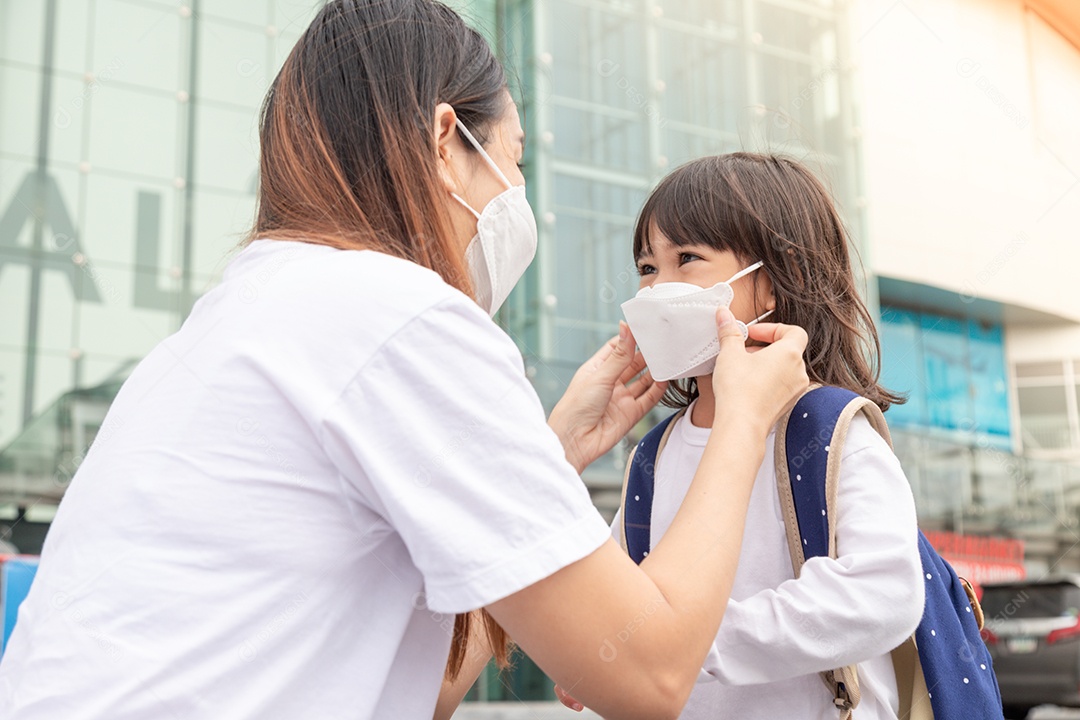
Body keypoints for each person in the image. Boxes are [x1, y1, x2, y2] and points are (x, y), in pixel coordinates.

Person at [0, 4, 809, 720]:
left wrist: (552, 450)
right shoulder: (401, 316)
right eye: (514, 160)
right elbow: (652, 670)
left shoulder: (231, 323)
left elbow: (418, 691)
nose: (514, 196)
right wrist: (741, 416)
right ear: (444, 138)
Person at [557, 154, 925, 719]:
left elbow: (884, 593)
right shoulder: (654, 454)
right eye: (648, 268)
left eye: (687, 259)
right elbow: (614, 597)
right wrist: (595, 650)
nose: (659, 288)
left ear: (779, 279)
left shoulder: (828, 429)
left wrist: (690, 636)